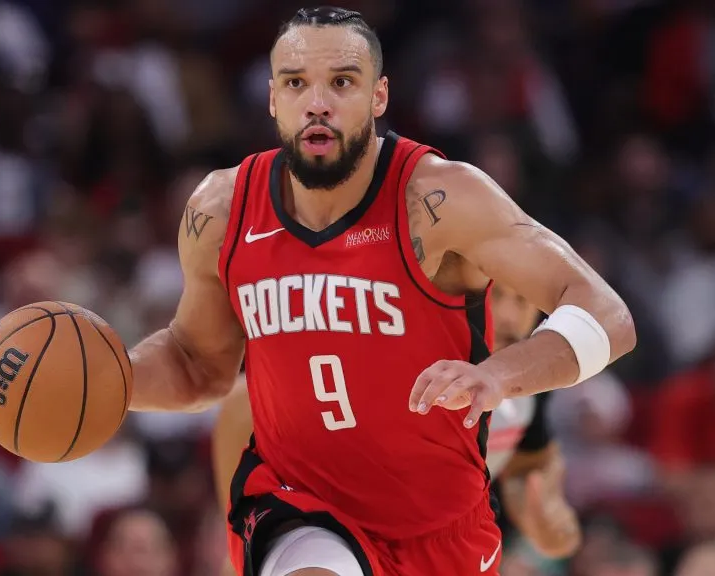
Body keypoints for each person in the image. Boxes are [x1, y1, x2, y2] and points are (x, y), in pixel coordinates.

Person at [127, 7, 636, 576]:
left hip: (442, 531)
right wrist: (111, 379)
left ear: (379, 96)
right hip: (299, 504)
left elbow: (608, 314)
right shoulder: (223, 211)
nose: (317, 102)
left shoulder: (440, 198)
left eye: (342, 82)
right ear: (273, 98)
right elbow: (198, 364)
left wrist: (496, 374)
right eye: (296, 83)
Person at [211, 283, 582, 576]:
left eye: (523, 299)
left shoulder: (527, 390)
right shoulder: (397, 360)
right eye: (496, 293)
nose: (508, 315)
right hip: (336, 538)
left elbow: (534, 480)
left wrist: (551, 525)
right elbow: (241, 547)